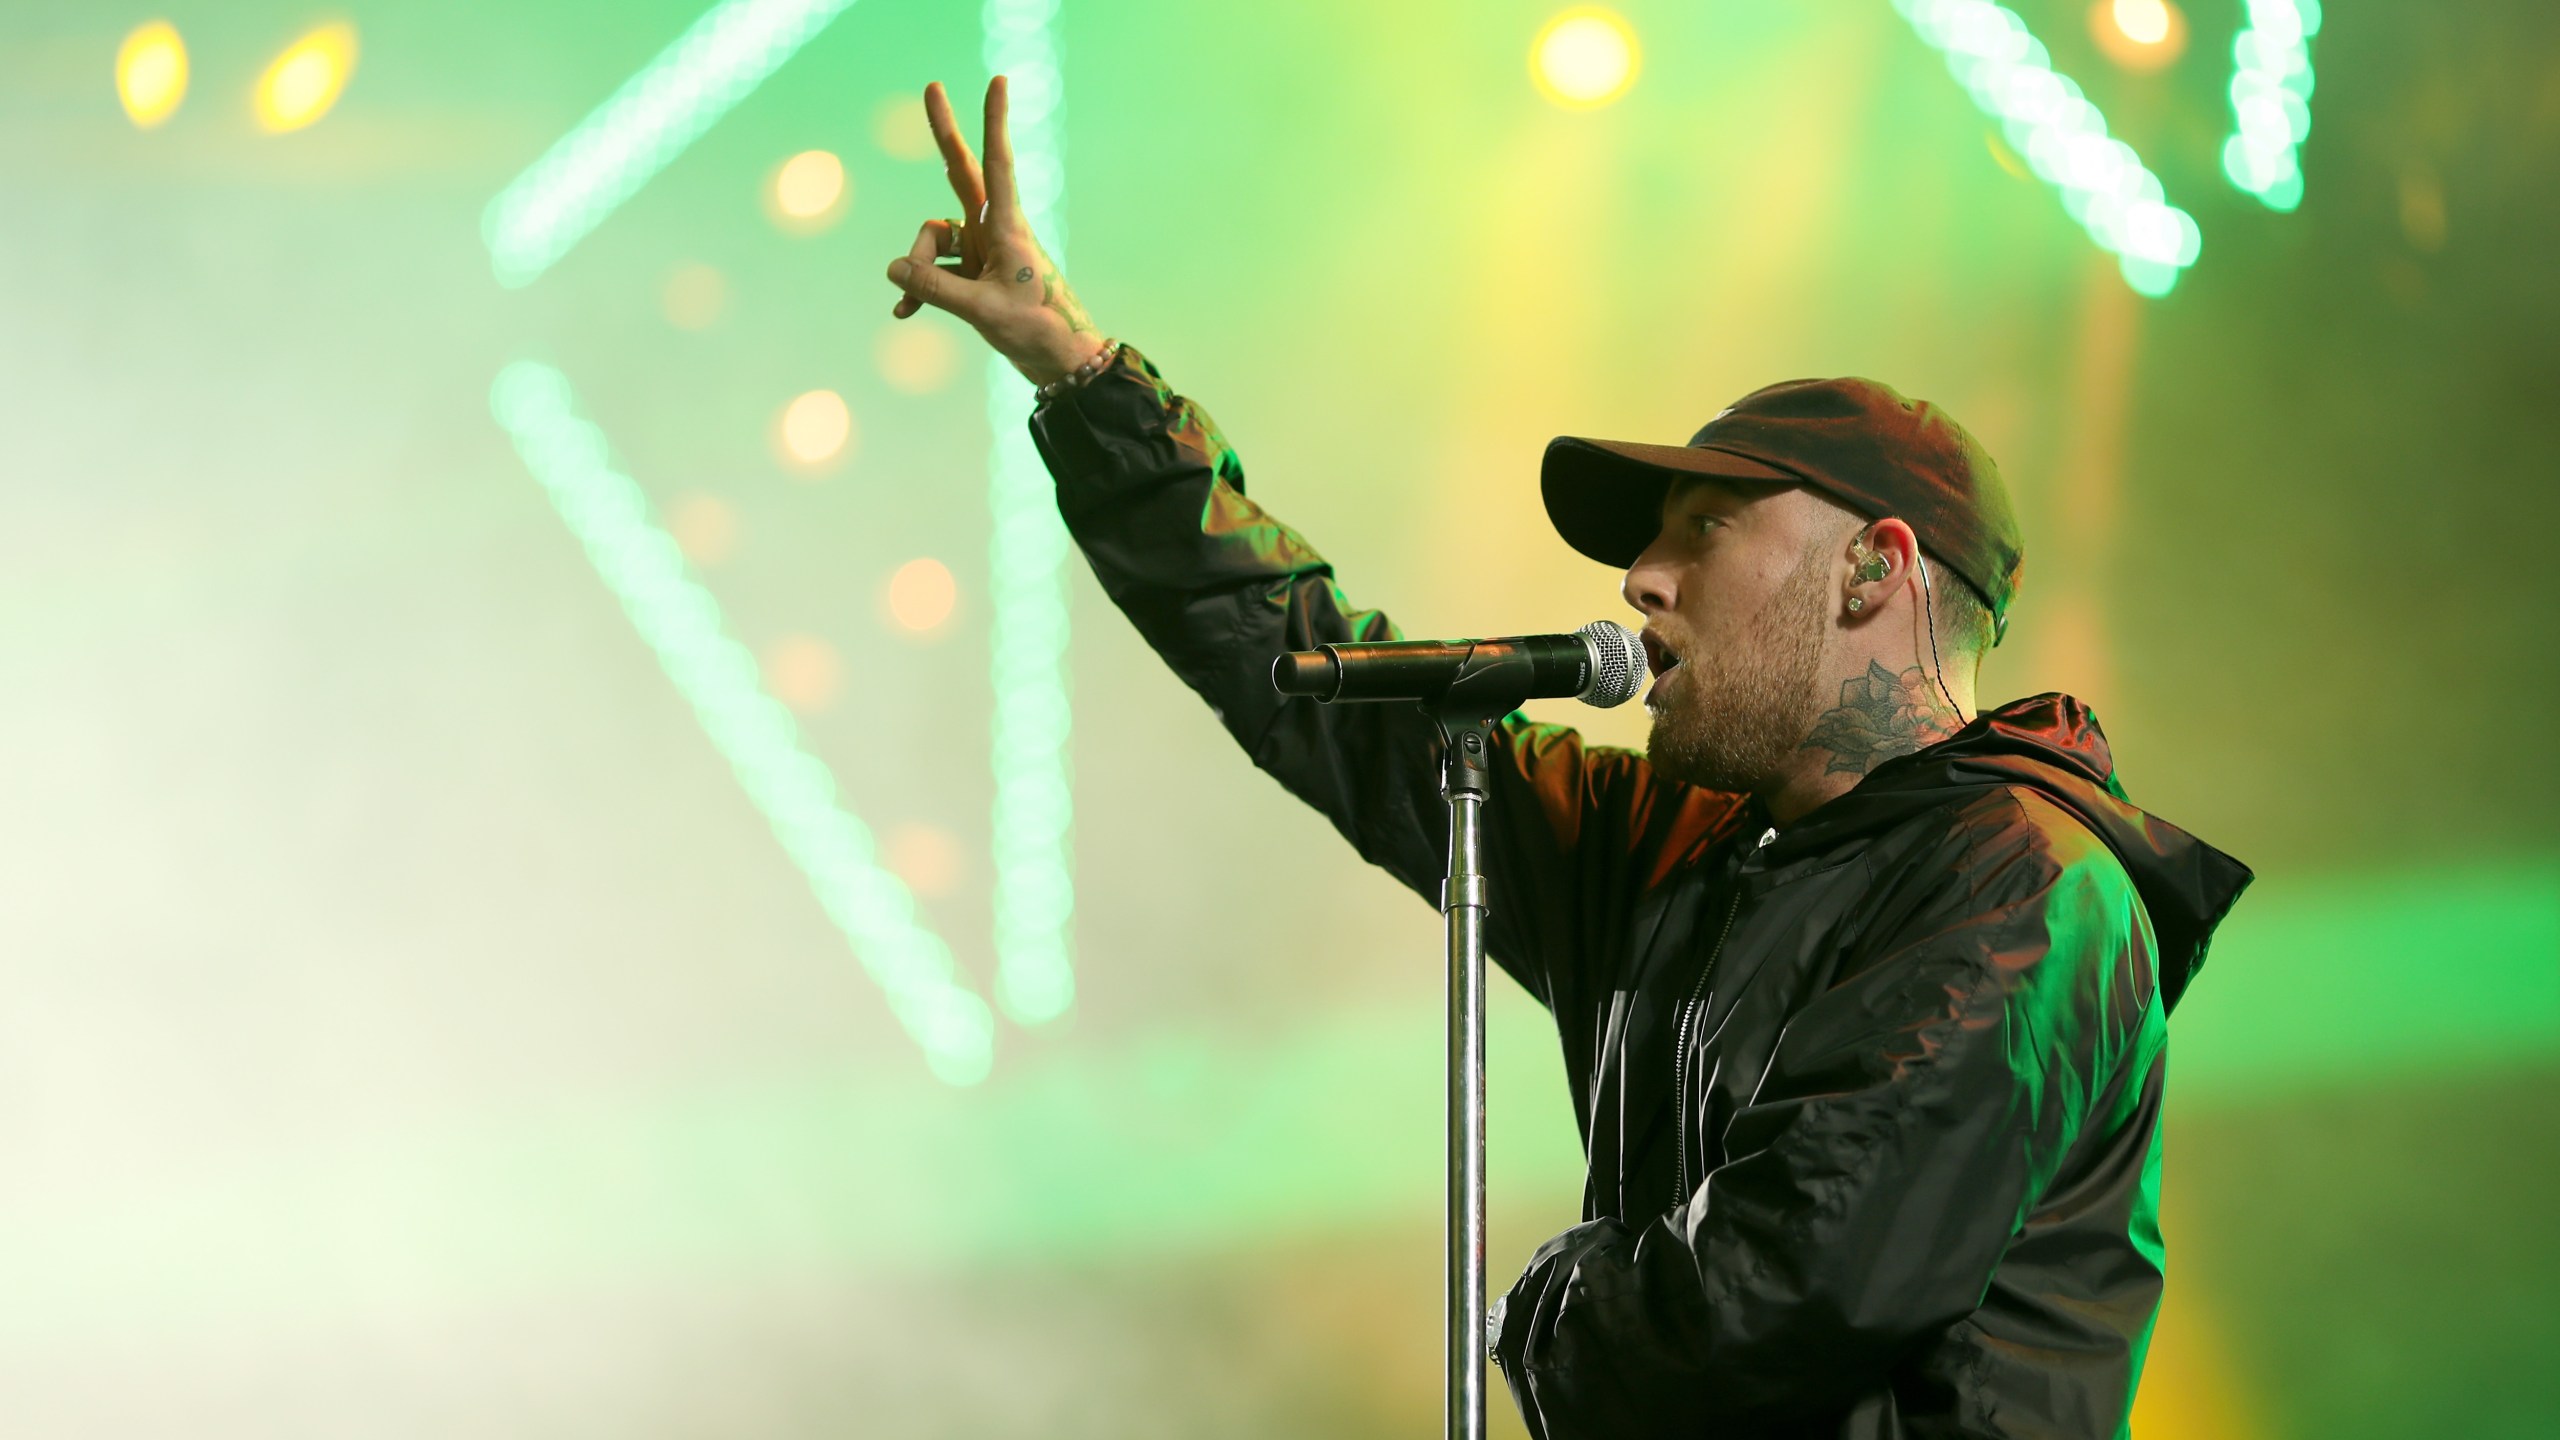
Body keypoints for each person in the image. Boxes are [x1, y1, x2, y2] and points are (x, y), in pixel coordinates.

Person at [882, 78, 2253, 1440]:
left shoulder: (2022, 888)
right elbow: (1315, 681)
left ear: (1871, 572)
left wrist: (1541, 1302)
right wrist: (1078, 371)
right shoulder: (1674, 849)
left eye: (1703, 531)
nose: (1642, 581)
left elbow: (1775, 1297)